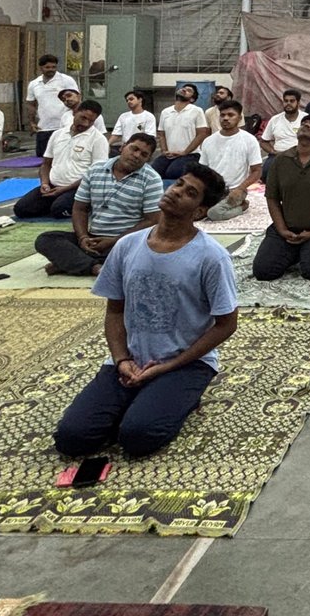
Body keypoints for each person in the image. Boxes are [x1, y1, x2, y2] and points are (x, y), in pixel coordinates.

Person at [53, 164, 238, 459]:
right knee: (72, 439)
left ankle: (180, 397)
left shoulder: (211, 257)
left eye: (189, 193)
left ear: (200, 211)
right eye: (178, 184)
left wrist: (169, 365)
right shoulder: (128, 246)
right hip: (130, 360)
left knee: (137, 437)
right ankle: (142, 398)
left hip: (184, 364)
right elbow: (115, 310)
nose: (176, 192)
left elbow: (226, 324)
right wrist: (121, 359)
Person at [35, 133, 162, 277]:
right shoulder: (96, 169)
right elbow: (80, 209)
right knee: (46, 240)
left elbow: (152, 220)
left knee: (146, 255)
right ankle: (95, 267)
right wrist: (83, 238)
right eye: (134, 149)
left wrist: (114, 241)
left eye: (143, 154)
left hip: (126, 241)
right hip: (93, 238)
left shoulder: (151, 179)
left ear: (148, 159)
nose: (137, 155)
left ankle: (72, 262)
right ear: (123, 147)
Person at [253, 117, 310, 282]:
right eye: (304, 123)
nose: (307, 125)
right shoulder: (282, 160)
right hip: (287, 228)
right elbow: (272, 198)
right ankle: (297, 250)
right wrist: (282, 230)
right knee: (263, 271)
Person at [14, 101, 108, 221]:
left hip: (79, 189)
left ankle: (85, 205)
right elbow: (46, 164)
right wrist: (44, 183)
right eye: (83, 118)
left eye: (90, 121)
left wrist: (64, 189)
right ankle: (55, 202)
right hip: (52, 186)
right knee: (21, 209)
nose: (85, 123)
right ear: (75, 113)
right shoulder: (57, 135)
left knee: (58, 210)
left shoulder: (98, 140)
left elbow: (96, 175)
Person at [197, 101, 264, 222]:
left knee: (214, 214)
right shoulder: (208, 141)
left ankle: (242, 206)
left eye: (230, 115)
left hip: (235, 190)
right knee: (189, 211)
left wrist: (240, 189)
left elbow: (257, 171)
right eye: (222, 115)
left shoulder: (249, 140)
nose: (225, 118)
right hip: (212, 190)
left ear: (239, 118)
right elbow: (203, 171)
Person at [25, 54, 78, 157]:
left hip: (64, 127)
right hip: (43, 128)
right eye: (47, 67)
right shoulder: (34, 84)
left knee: (64, 157)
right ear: (41, 68)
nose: (51, 70)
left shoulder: (66, 80)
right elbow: (30, 104)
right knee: (43, 159)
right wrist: (31, 123)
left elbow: (76, 100)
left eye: (54, 67)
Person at [154, 84, 210, 181]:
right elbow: (161, 134)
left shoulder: (197, 111)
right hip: (169, 154)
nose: (184, 90)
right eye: (183, 88)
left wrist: (184, 152)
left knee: (173, 172)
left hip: (190, 154)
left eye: (189, 90)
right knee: (153, 172)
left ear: (192, 99)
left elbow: (202, 134)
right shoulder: (165, 112)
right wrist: (164, 151)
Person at [110, 90, 157, 157]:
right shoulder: (123, 116)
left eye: (131, 99)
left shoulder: (149, 116)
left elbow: (149, 137)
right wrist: (107, 145)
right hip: (124, 147)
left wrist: (131, 145)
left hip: (140, 148)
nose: (129, 102)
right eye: (127, 100)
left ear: (140, 100)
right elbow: (116, 134)